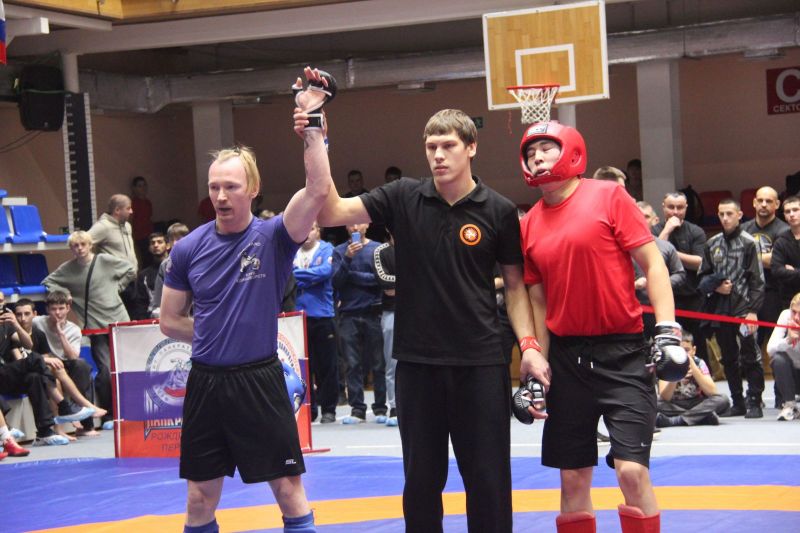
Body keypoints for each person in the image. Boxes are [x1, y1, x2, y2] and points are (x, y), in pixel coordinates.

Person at [298, 102, 532, 532]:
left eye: (448, 145)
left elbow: (516, 287)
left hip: (481, 364)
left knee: (489, 482)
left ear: (471, 148)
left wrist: (530, 347)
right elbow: (330, 211)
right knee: (421, 483)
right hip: (418, 365)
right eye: (431, 146)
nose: (438, 155)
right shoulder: (403, 195)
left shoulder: (498, 210)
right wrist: (316, 137)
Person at [159, 66, 334, 533]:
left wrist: (312, 124)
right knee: (199, 497)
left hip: (259, 380)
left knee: (288, 489)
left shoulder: (275, 236)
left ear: (252, 189)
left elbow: (318, 190)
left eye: (231, 186)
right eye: (214, 186)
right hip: (206, 383)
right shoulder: (188, 248)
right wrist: (216, 332)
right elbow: (169, 320)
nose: (220, 195)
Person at [518, 121, 686, 532]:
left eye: (546, 148)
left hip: (623, 353)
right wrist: (536, 360)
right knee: (572, 479)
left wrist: (667, 329)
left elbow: (653, 264)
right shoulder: (529, 223)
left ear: (571, 151)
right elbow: (538, 301)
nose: (537, 157)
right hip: (566, 359)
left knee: (631, 471)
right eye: (530, 152)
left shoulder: (609, 195)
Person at [43, 230, 135, 430]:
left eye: (83, 244)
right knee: (105, 371)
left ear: (90, 245)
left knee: (127, 369)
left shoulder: (104, 260)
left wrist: (117, 287)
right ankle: (109, 415)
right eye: (75, 246)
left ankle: (130, 413)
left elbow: (130, 269)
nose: (79, 249)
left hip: (119, 322)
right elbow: (48, 282)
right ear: (71, 249)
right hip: (95, 327)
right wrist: (66, 294)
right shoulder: (68, 268)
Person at [698, 199, 765, 418]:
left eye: (729, 213)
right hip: (721, 309)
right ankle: (737, 401)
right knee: (728, 356)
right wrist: (715, 286)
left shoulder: (749, 243)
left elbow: (758, 280)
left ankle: (754, 400)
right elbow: (702, 276)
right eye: (721, 214)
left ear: (739, 215)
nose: (725, 218)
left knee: (750, 355)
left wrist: (753, 311)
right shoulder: (712, 243)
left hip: (744, 307)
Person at [13, 298, 106, 438]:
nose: (23, 318)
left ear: (34, 314)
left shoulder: (39, 333)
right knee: (51, 375)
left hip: (48, 367)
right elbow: (20, 362)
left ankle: (63, 427)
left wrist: (59, 335)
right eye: (19, 315)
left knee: (76, 368)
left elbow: (70, 357)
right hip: (20, 373)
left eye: (27, 314)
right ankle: (83, 405)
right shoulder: (13, 333)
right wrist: (46, 360)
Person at [332, 223, 386, 424]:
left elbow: (380, 280)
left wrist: (353, 276)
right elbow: (336, 282)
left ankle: (380, 407)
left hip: (374, 312)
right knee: (352, 364)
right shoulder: (339, 251)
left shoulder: (378, 249)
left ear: (368, 223)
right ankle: (357, 409)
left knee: (379, 363)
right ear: (346, 226)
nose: (355, 226)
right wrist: (347, 258)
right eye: (351, 222)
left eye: (359, 222)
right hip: (348, 314)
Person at [652, 191, 710, 365]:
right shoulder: (654, 230)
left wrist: (672, 254)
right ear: (663, 207)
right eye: (671, 207)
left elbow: (699, 262)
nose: (675, 212)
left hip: (693, 296)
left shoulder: (696, 231)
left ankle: (703, 376)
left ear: (686, 208)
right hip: (667, 297)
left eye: (680, 208)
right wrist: (667, 230)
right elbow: (655, 257)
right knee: (669, 342)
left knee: (698, 342)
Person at [293, 221, 338, 424]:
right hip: (297, 315)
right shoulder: (292, 250)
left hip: (321, 314)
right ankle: (308, 410)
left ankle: (329, 409)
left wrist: (301, 277)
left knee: (326, 365)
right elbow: (287, 275)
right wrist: (313, 277)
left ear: (318, 231)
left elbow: (326, 272)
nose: (307, 233)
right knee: (303, 367)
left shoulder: (327, 249)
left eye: (311, 229)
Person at [741, 186, 788, 350]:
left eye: (768, 201)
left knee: (776, 345)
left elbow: (776, 260)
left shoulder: (785, 230)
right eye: (760, 200)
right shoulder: (743, 229)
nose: (763, 204)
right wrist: (765, 258)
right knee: (748, 345)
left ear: (777, 204)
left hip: (774, 292)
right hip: (748, 292)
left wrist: (748, 258)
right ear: (754, 203)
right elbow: (736, 257)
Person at [656, 331, 730, 427]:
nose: (683, 354)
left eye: (687, 350)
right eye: (680, 350)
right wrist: (676, 374)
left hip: (697, 402)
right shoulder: (666, 363)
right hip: (674, 404)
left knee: (723, 400)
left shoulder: (699, 363)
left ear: (693, 350)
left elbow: (712, 392)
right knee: (653, 403)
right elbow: (665, 397)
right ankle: (700, 417)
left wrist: (694, 369)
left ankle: (677, 420)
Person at [373, 234, 398, 426]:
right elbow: (385, 283)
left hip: (420, 311)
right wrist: (414, 282)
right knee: (392, 362)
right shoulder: (381, 251)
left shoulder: (418, 244)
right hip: (392, 312)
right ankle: (395, 406)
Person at [766, 292, 800, 420]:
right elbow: (770, 349)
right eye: (794, 312)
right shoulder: (785, 316)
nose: (796, 317)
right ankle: (790, 405)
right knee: (778, 359)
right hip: (792, 375)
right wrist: (788, 341)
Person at [150, 222, 190, 318]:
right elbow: (157, 304)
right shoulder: (164, 266)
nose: (175, 243)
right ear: (169, 243)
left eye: (179, 239)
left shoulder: (198, 262)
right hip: (172, 318)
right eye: (172, 239)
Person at [88, 194, 138, 269]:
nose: (131, 211)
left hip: (131, 274)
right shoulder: (103, 226)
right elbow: (81, 242)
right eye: (128, 208)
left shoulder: (127, 226)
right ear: (117, 210)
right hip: (113, 275)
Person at [130, 176, 155, 267]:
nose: (143, 188)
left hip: (150, 235)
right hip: (139, 236)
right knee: (145, 260)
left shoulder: (148, 203)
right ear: (134, 188)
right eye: (140, 186)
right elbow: (131, 220)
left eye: (144, 185)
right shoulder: (132, 203)